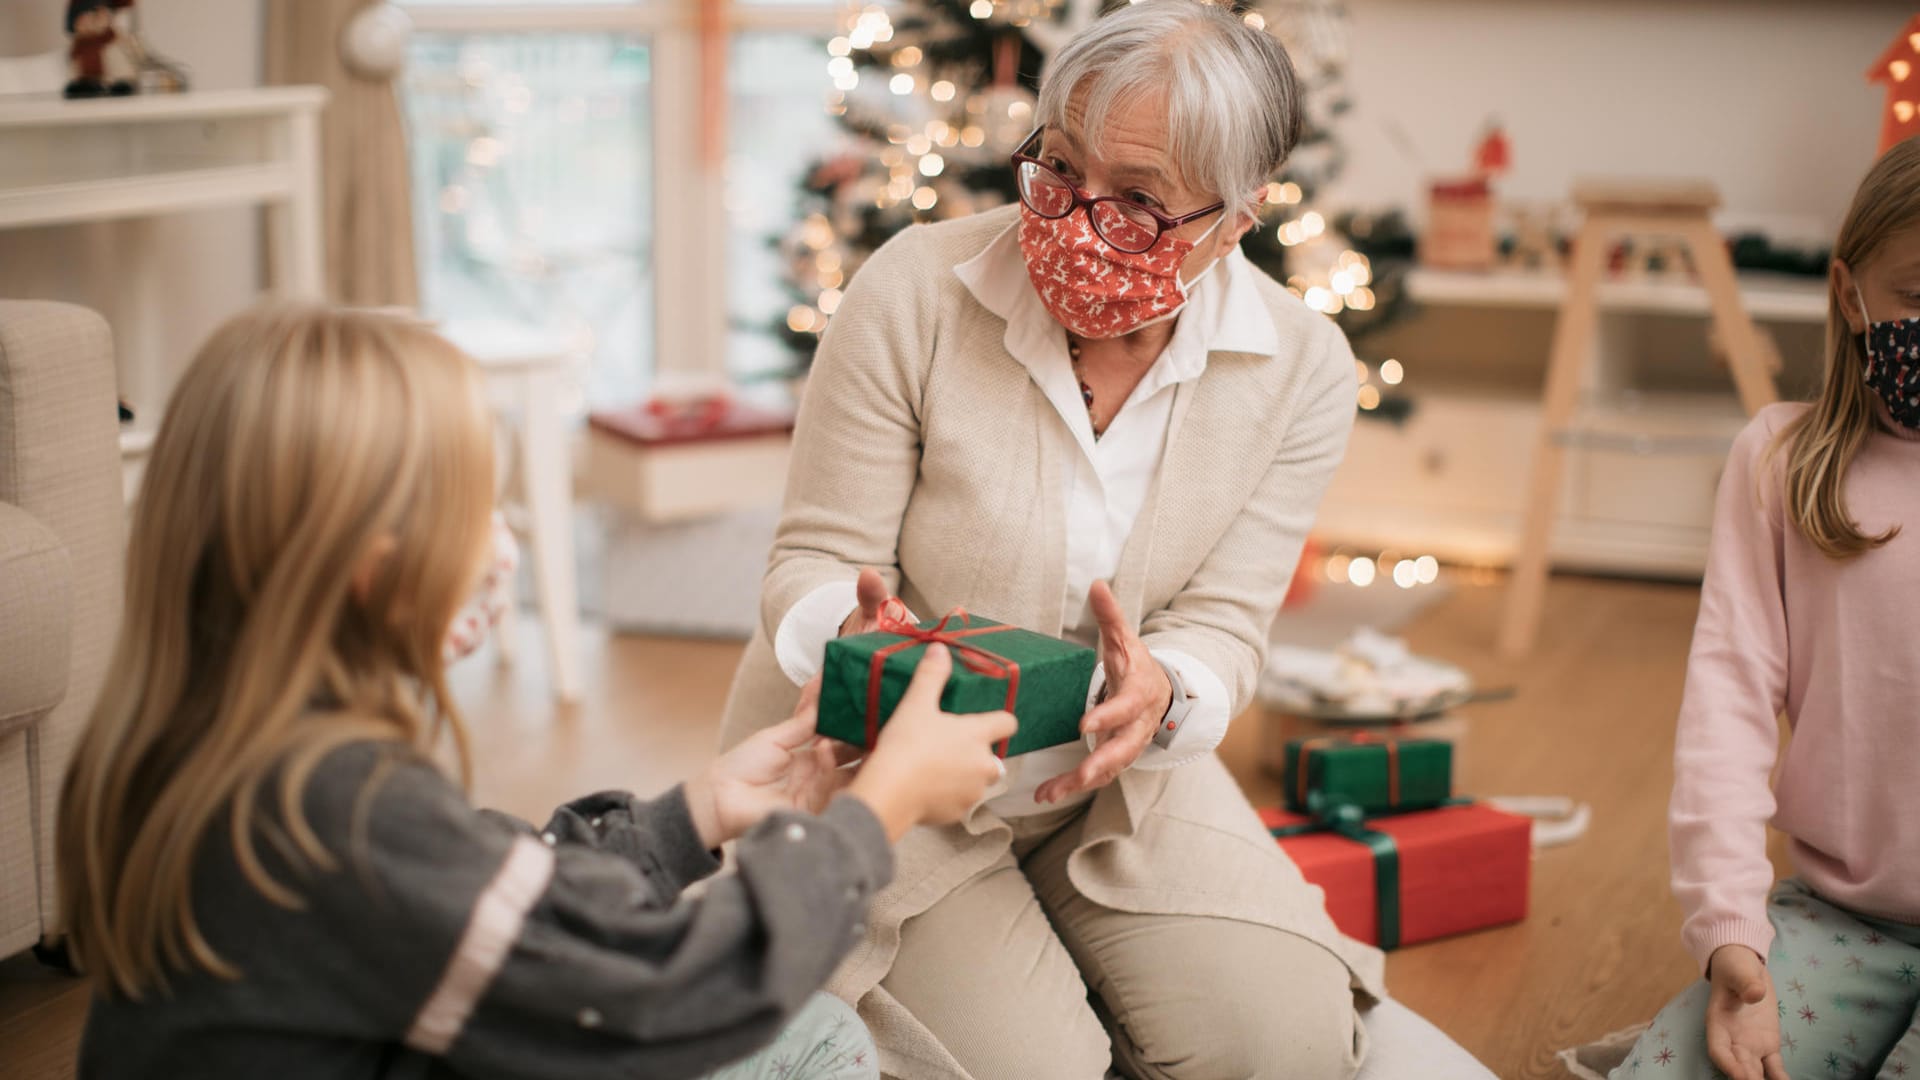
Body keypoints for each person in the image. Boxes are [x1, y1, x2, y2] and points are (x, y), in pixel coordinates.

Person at [57, 304, 1016, 1079]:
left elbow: (492, 898)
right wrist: (874, 813)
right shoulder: (342, 814)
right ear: (373, 571)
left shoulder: (208, 753)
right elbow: (666, 999)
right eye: (477, 507)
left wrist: (700, 809)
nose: (503, 537)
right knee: (820, 1040)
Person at [718, 2, 1386, 1076]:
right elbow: (811, 557)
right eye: (1059, 170)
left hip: (1114, 778)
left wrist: (1168, 690)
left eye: (1139, 203)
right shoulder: (914, 290)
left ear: (1234, 219)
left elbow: (1224, 621)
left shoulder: (1302, 369)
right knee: (1039, 1068)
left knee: (1286, 1042)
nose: (1077, 224)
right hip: (876, 764)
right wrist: (853, 638)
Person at [1610, 139, 1920, 1079]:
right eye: (1919, 294)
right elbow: (1728, 703)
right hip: (1839, 918)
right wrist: (1730, 926)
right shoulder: (1779, 461)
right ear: (1849, 294)